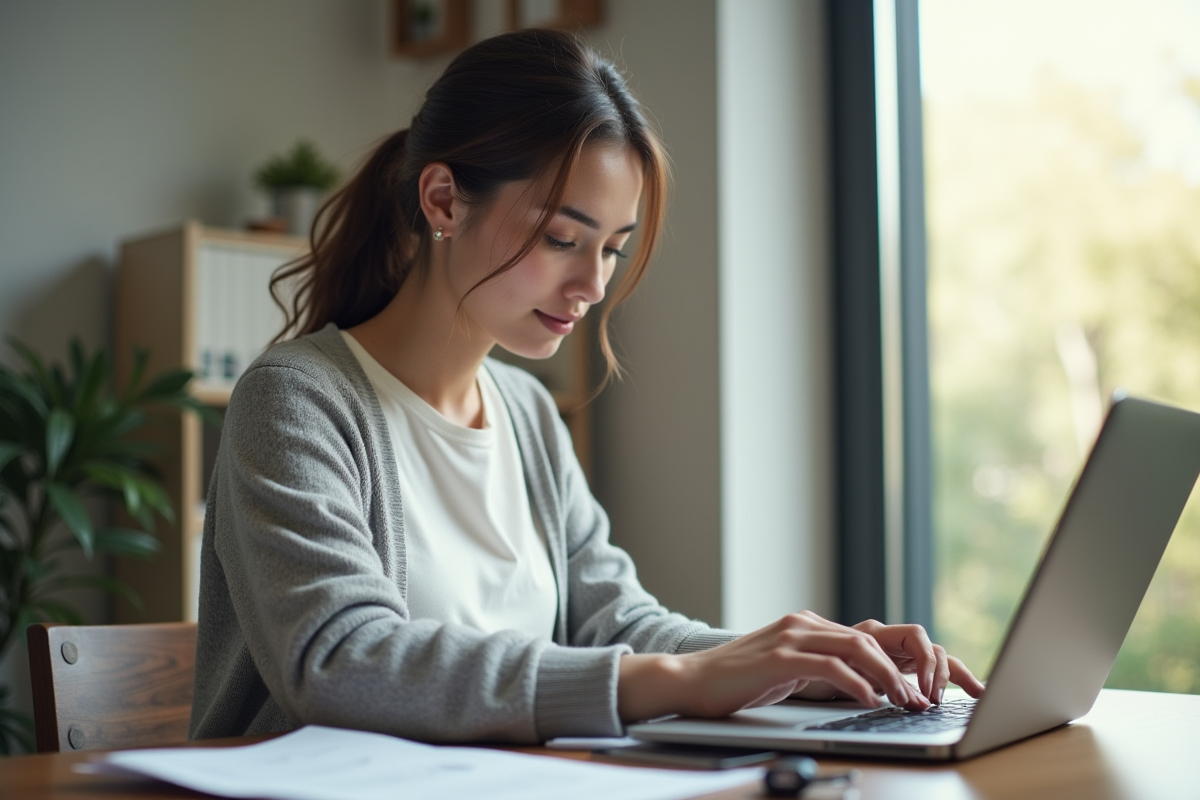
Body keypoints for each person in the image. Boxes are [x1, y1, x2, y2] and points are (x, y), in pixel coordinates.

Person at [189, 28, 983, 744]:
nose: (591, 284)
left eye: (611, 249)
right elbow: (338, 660)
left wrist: (790, 661)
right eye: (563, 238)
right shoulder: (295, 401)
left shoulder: (529, 415)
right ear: (443, 200)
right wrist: (682, 683)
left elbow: (616, 623)